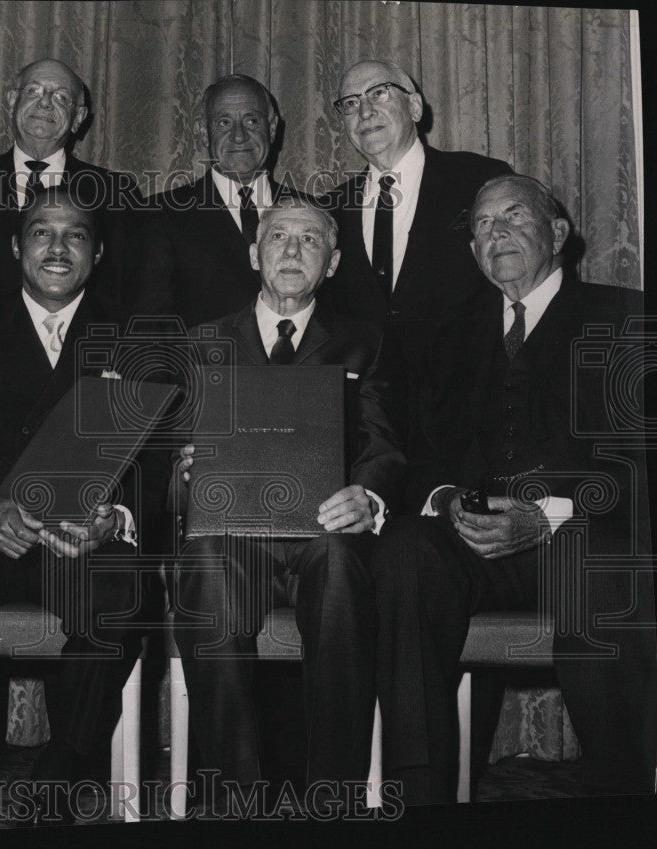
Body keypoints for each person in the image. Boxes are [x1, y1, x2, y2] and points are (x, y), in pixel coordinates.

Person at [371, 174, 656, 803]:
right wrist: (444, 499)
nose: (494, 232)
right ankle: (419, 803)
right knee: (405, 552)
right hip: (475, 548)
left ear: (557, 233)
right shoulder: (450, 337)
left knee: (602, 565)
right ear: (472, 250)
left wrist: (551, 515)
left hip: (585, 539)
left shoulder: (627, 318)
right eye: (480, 224)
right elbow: (417, 456)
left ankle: (622, 807)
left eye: (513, 217)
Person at [0, 186, 164, 829]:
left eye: (75, 234)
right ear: (16, 246)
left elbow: (158, 458)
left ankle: (61, 771)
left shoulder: (133, 333)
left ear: (97, 252)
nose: (57, 246)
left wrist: (116, 520)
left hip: (81, 541)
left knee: (126, 584)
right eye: (41, 231)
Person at [171, 197, 404, 800]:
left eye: (310, 241)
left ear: (332, 264)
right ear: (254, 253)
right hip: (233, 539)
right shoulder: (203, 343)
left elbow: (385, 446)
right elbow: (160, 463)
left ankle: (332, 797)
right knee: (206, 562)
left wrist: (369, 499)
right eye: (278, 238)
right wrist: (185, 471)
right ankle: (234, 800)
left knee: (340, 562)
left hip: (321, 538)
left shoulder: (366, 343)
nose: (293, 251)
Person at [325, 59, 511, 363]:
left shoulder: (479, 179)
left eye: (378, 93)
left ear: (414, 107)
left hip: (467, 398)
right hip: (368, 405)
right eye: (350, 103)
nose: (365, 112)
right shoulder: (330, 209)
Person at [0, 58, 138, 321]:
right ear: (11, 101)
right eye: (33, 90)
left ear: (78, 118)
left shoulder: (116, 192)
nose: (44, 102)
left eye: (61, 97)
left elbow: (125, 291)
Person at [129, 74, 313, 329]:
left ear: (271, 129)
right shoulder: (158, 215)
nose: (239, 136)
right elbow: (148, 328)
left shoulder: (315, 212)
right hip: (201, 368)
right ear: (203, 133)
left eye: (252, 120)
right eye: (224, 122)